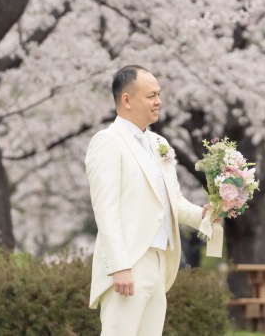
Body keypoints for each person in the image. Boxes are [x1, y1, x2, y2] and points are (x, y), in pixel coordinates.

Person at [85, 65, 219, 335]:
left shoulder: (159, 142)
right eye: (151, 96)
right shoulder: (108, 141)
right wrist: (120, 267)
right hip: (130, 263)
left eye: (159, 94)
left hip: (160, 263)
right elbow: (106, 211)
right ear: (127, 100)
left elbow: (173, 200)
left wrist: (203, 215)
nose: (158, 101)